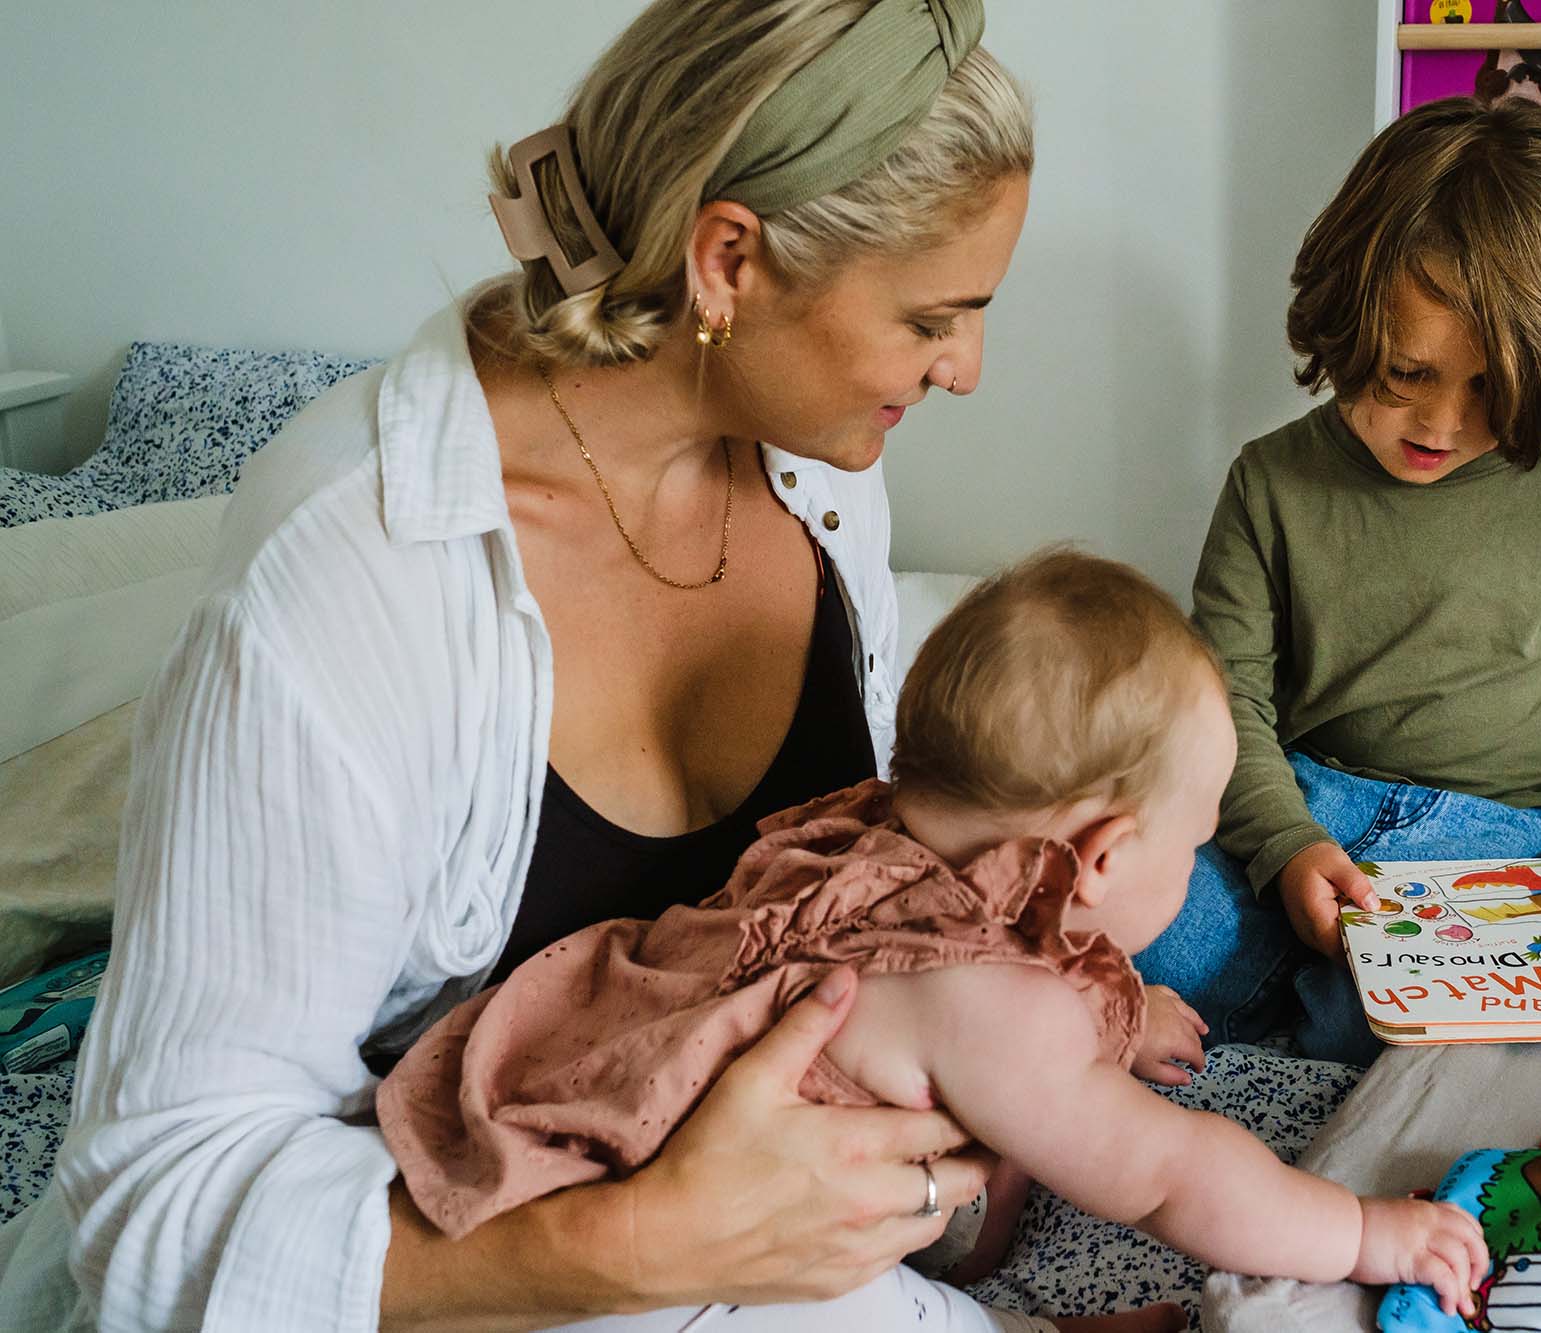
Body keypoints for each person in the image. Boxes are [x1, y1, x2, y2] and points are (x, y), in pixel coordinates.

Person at [0, 3, 1040, 1329]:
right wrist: (643, 1245)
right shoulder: (349, 582)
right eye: (934, 317)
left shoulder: (823, 481)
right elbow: (156, 1199)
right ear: (730, 260)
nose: (966, 367)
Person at [374, 550, 1493, 1330]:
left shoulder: (879, 829)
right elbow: (1167, 1175)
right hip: (667, 1255)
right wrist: (1359, 1235)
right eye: (1192, 845)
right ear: (1099, 857)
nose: (1194, 865)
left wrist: (1118, 1003)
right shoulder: (994, 1004)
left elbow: (1029, 965)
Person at [1132, 98, 1541, 1066]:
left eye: (1489, 389)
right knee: (1134, 934)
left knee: (1379, 1021)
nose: (1438, 424)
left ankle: (1325, 991)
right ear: (1341, 318)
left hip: (1512, 832)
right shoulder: (1269, 480)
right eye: (1403, 373)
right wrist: (1283, 842)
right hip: (1307, 800)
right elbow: (1221, 703)